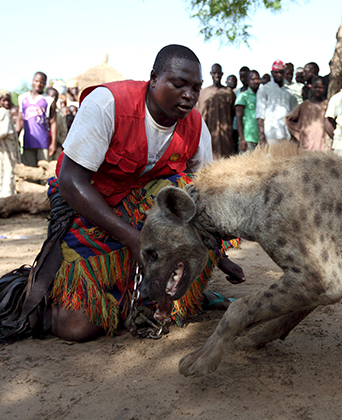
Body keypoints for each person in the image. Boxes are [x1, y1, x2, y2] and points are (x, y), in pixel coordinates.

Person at [41, 44, 245, 342]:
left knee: (186, 189)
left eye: (195, 87)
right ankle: (61, 292)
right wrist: (135, 240)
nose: (189, 95)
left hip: (144, 210)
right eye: (178, 84)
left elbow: (205, 195)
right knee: (77, 328)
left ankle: (148, 294)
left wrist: (218, 252)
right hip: (89, 206)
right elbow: (71, 182)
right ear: (153, 79)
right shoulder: (107, 104)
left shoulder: (195, 126)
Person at [196, 63, 236, 159]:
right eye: (214, 73)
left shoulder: (228, 93)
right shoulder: (203, 93)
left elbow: (233, 114)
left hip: (225, 135)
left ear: (222, 74)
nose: (217, 76)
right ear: (211, 74)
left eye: (219, 73)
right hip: (208, 133)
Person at [18, 71, 57, 167]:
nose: (38, 84)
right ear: (32, 81)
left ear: (45, 84)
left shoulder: (48, 100)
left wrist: (53, 143)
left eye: (42, 82)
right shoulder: (23, 98)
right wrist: (16, 136)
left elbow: (53, 122)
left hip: (43, 142)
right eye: (36, 81)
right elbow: (20, 120)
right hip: (27, 141)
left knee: (44, 171)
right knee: (29, 170)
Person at [256, 60, 296, 146]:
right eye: (276, 72)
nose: (279, 75)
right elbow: (260, 116)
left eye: (281, 72)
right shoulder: (264, 90)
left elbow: (293, 115)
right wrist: (262, 136)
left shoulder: (289, 92)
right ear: (272, 73)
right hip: (270, 135)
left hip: (286, 135)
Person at [285, 76, 328, 151]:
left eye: (321, 87)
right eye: (316, 87)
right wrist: (299, 134)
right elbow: (288, 120)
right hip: (306, 145)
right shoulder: (304, 105)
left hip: (323, 145)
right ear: (311, 88)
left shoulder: (327, 105)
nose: (318, 90)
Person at [235, 70, 261, 152]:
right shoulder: (243, 96)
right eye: (253, 79)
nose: (256, 81)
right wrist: (242, 139)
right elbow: (238, 119)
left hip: (260, 140)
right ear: (248, 81)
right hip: (248, 139)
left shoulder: (262, 95)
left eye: (257, 79)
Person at [46, 87, 69, 160]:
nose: (53, 99)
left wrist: (58, 142)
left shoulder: (60, 114)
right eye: (51, 96)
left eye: (55, 97)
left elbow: (63, 131)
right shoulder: (40, 111)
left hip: (56, 146)